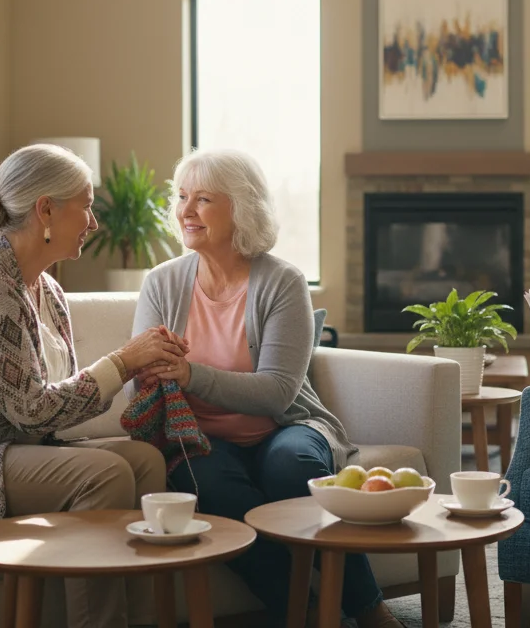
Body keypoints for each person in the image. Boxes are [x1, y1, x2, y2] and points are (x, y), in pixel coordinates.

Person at [0, 144, 186, 628]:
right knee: (103, 475)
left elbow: (59, 407)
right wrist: (123, 363)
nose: (94, 221)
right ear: (46, 209)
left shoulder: (45, 287)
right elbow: (33, 410)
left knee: (144, 461)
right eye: (85, 205)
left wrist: (137, 371)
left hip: (16, 444)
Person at [132, 147, 404, 628]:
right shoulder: (161, 284)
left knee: (291, 465)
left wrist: (190, 374)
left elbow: (278, 392)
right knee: (209, 486)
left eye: (203, 199)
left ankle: (368, 606)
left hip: (287, 425)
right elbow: (144, 376)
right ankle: (305, 614)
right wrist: (152, 371)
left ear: (242, 208)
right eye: (181, 198)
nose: (186, 211)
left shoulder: (282, 282)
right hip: (200, 436)